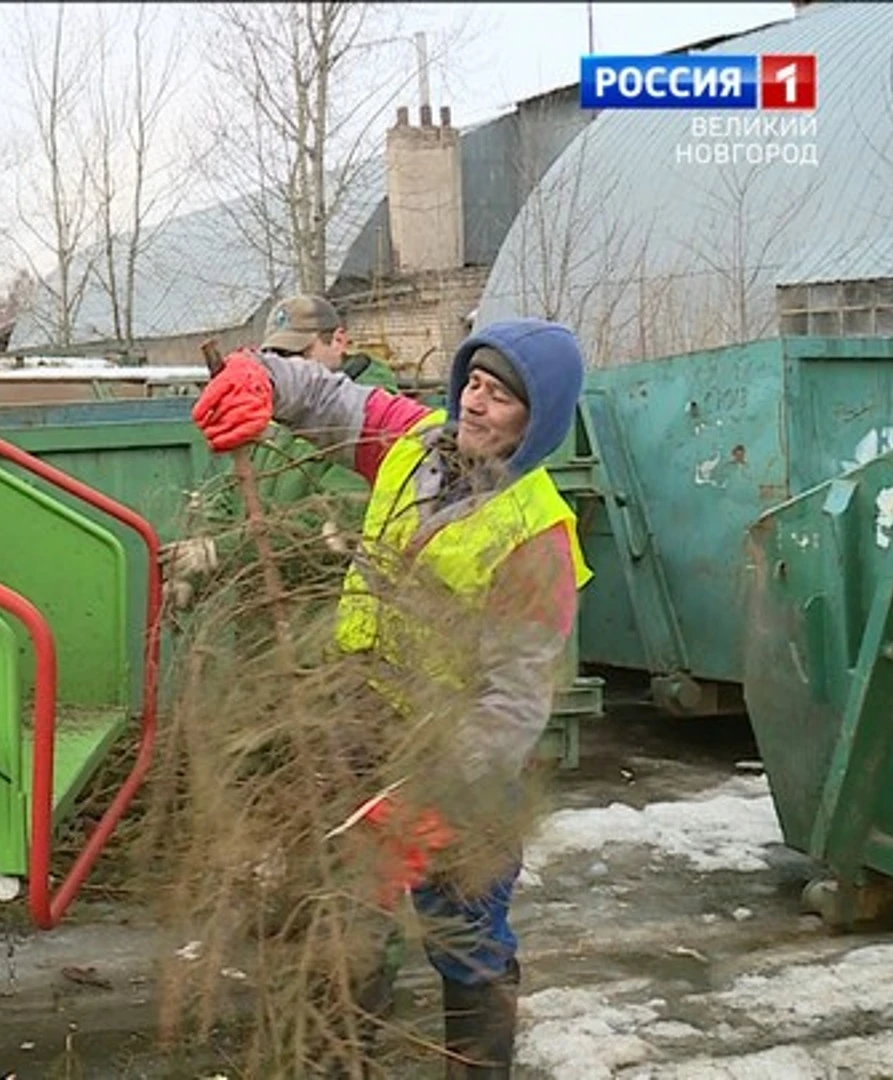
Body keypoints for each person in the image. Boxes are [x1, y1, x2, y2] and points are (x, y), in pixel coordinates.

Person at [187, 317, 592, 1077]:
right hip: (365, 731)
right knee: (347, 923)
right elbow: (326, 396)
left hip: (463, 769)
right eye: (473, 383)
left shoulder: (537, 541)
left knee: (467, 940)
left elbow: (512, 703)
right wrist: (262, 379)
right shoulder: (411, 446)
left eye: (500, 398)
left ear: (536, 423)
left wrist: (436, 800)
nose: (474, 405)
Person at [163, 295, 395, 601]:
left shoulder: (371, 422)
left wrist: (218, 551)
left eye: (298, 352)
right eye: (275, 355)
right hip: (262, 625)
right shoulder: (272, 416)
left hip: (323, 622)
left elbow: (336, 519)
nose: (287, 366)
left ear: (339, 340)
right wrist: (194, 572)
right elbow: (233, 496)